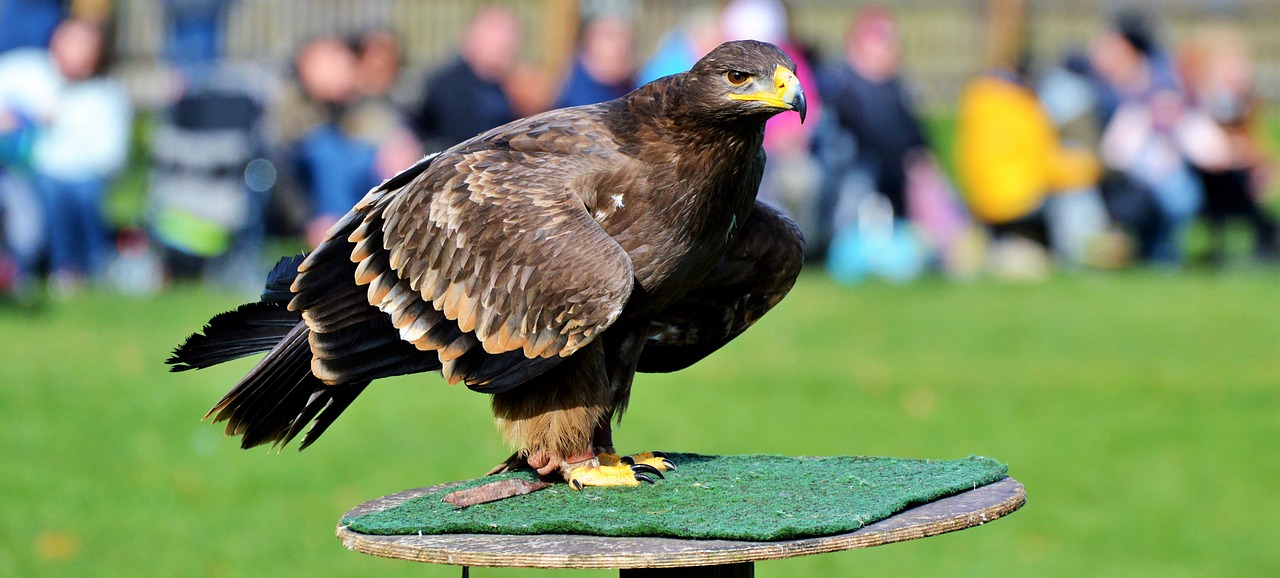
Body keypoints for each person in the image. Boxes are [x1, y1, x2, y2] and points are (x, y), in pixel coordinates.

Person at [1, 17, 132, 295]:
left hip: (80, 176)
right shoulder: (23, 71)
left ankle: (86, 266)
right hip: (24, 173)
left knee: (78, 192)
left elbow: (109, 156)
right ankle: (60, 267)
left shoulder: (105, 95)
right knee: (50, 192)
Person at [1177, 24, 1278, 265]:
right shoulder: (1198, 99)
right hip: (1203, 176)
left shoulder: (1243, 102)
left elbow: (1255, 142)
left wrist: (1262, 164)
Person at [412, 5, 520, 152]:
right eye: (498, 35)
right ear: (473, 39)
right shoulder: (447, 84)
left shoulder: (505, 85)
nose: (507, 42)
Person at [554, 15, 636, 109]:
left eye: (623, 37)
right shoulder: (571, 89)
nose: (620, 45)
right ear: (590, 41)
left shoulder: (630, 87)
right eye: (609, 36)